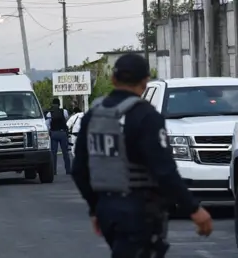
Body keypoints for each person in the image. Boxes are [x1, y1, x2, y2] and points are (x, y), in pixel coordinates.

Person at [72, 53, 213, 257]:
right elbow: (164, 171)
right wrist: (194, 209)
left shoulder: (93, 116)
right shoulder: (145, 116)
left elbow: (79, 170)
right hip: (139, 212)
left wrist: (95, 207)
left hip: (107, 210)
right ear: (145, 81)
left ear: (113, 80)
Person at [46, 98, 71, 175]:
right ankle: (68, 170)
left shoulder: (49, 113)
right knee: (65, 153)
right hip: (62, 133)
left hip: (54, 133)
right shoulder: (64, 111)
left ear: (52, 104)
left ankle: (54, 171)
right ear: (59, 104)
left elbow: (47, 125)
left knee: (54, 154)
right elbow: (67, 119)